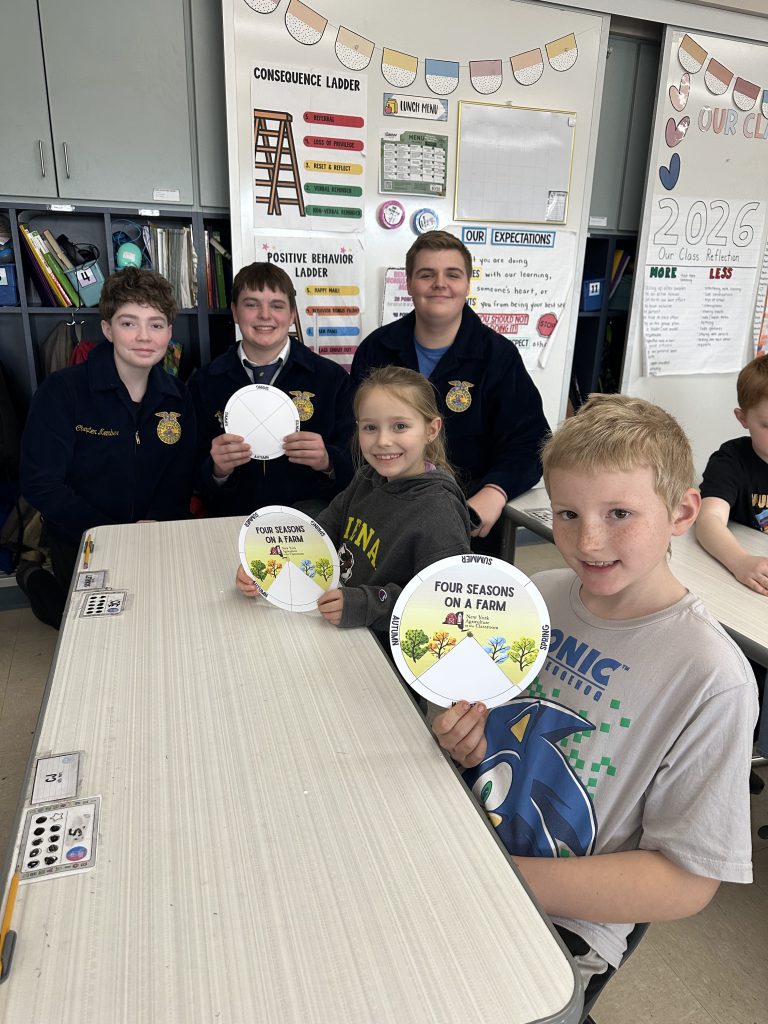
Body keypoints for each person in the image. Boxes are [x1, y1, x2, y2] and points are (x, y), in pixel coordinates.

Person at [432, 394, 757, 1003]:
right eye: (567, 514)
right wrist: (454, 729)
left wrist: (500, 877)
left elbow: (686, 883)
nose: (589, 540)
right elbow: (472, 714)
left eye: (620, 513)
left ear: (683, 512)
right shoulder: (539, 594)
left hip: (559, 921)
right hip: (464, 838)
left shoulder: (712, 675)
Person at [237, 365, 478, 634]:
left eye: (400, 426)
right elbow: (320, 533)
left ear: (431, 430)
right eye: (370, 427)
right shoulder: (366, 478)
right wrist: (267, 566)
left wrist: (365, 604)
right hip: (338, 627)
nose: (383, 441)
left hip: (382, 650)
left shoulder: (439, 512)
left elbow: (442, 607)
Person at [19, 266, 196, 628]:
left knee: (157, 620)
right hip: (85, 538)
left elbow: (181, 474)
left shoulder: (179, 397)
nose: (144, 336)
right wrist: (110, 531)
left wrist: (156, 524)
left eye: (156, 324)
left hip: (154, 535)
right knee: (85, 627)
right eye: (129, 323)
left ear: (169, 333)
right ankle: (34, 578)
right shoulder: (63, 391)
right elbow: (41, 483)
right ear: (107, 329)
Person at [350, 230, 549, 552]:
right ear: (410, 284)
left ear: (466, 285)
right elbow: (356, 431)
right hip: (385, 513)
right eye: (427, 274)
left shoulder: (498, 356)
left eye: (452, 275)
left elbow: (531, 442)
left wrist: (495, 491)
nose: (439, 283)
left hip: (468, 518)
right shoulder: (377, 349)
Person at [189, 262, 355, 518]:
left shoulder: (331, 380)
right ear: (234, 312)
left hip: (311, 522)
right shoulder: (205, 382)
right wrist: (216, 471)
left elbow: (359, 461)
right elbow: (188, 468)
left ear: (291, 315)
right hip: (230, 522)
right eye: (251, 304)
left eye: (277, 305)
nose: (265, 315)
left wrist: (328, 461)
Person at [696, 354, 768, 595]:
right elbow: (709, 521)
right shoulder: (730, 461)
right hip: (741, 581)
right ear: (743, 418)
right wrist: (740, 562)